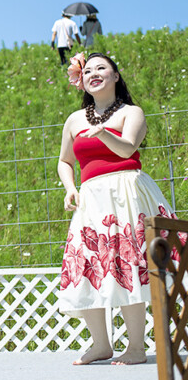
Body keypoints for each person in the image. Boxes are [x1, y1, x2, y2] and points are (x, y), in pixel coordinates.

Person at [58, 52, 181, 365]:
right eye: (87, 70)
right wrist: (71, 187)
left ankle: (137, 347)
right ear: (80, 80)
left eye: (102, 68)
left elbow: (129, 147)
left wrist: (104, 133)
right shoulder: (74, 119)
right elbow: (65, 161)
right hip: (91, 198)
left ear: (115, 76)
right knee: (86, 266)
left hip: (125, 192)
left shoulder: (131, 112)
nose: (94, 73)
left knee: (129, 265)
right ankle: (101, 344)